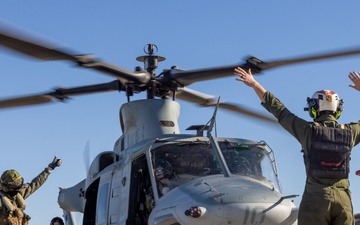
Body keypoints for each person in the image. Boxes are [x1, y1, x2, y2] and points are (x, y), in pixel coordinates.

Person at [234, 67, 360, 225]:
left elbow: (279, 110)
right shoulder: (351, 132)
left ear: (314, 109)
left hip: (316, 199)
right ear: (338, 110)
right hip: (343, 200)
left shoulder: (308, 131)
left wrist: (254, 84)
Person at [0, 156, 62, 225]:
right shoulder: (1, 201)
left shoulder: (18, 194)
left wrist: (50, 168)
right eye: (16, 186)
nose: (19, 188)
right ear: (8, 187)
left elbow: (35, 183)